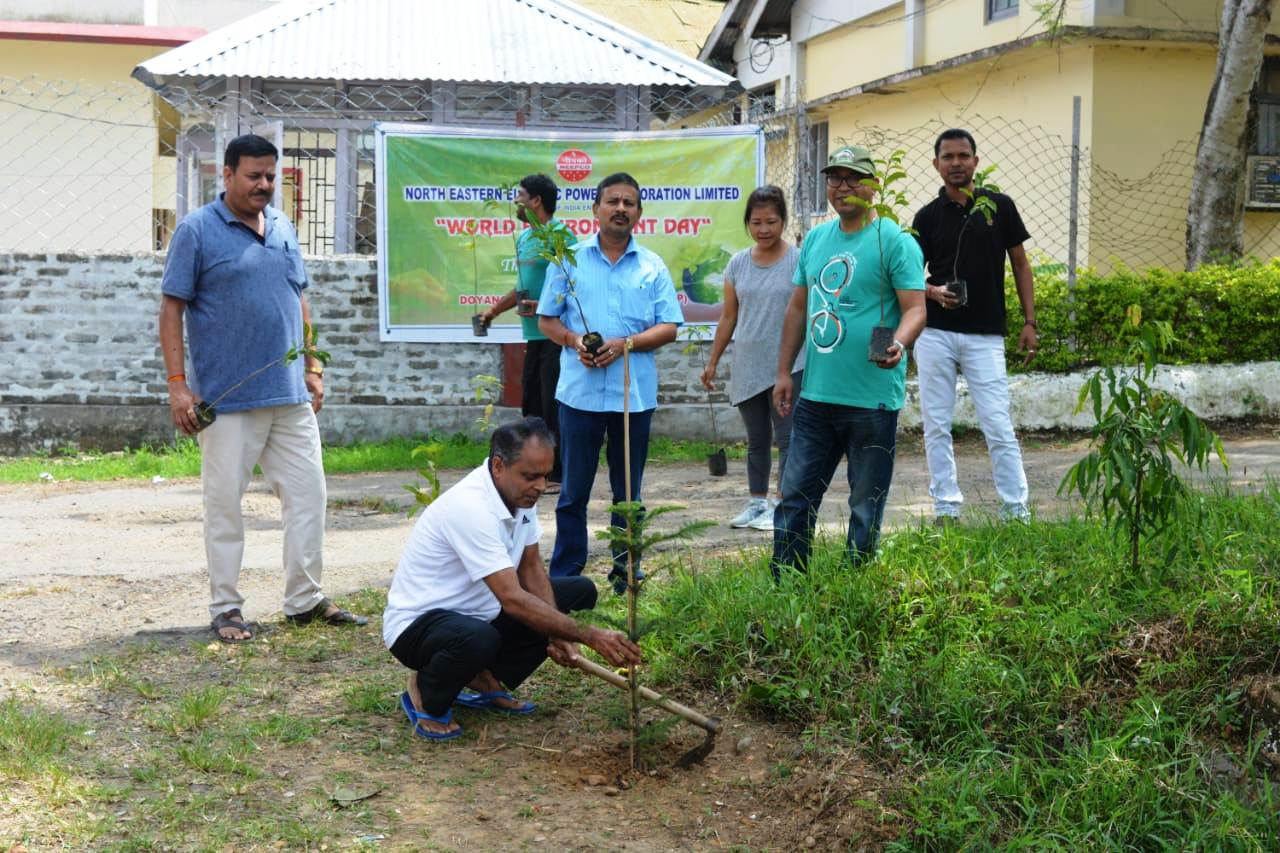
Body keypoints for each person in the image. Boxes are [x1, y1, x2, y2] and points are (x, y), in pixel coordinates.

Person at [159, 133, 367, 643]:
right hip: (227, 400)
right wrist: (178, 387)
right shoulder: (197, 231)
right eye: (253, 175)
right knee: (225, 504)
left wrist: (313, 366)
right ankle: (226, 607)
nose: (264, 185)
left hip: (291, 396)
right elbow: (171, 309)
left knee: (308, 495)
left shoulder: (282, 226)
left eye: (271, 176)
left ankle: (304, 600)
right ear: (226, 175)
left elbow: (299, 300)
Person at [383, 418, 642, 740]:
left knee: (578, 592)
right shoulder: (471, 507)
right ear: (498, 466)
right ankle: (424, 689)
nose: (540, 486)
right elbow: (512, 598)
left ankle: (484, 677)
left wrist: (558, 632)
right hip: (419, 626)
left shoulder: (520, 496)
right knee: (478, 638)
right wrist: (590, 635)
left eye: (546, 476)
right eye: (530, 476)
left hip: (480, 613)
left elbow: (531, 567)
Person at [770, 146, 927, 578]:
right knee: (795, 494)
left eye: (854, 177)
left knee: (865, 501)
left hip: (872, 400)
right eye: (835, 178)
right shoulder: (818, 239)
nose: (844, 187)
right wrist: (784, 372)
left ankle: (855, 583)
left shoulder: (895, 240)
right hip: (817, 397)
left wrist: (898, 342)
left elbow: (915, 308)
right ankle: (787, 581)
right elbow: (798, 310)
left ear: (874, 186)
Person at [536, 172, 683, 592]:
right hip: (579, 395)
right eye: (612, 201)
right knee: (573, 492)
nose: (621, 208)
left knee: (628, 493)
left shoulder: (652, 266)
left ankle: (626, 571)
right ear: (596, 209)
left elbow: (670, 326)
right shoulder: (568, 260)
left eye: (629, 203)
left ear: (639, 212)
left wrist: (626, 344)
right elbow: (547, 319)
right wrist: (573, 339)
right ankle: (565, 575)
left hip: (631, 398)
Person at [911, 128, 1036, 524]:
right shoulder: (926, 218)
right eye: (947, 157)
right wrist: (932, 294)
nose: (956, 163)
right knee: (936, 423)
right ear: (936, 165)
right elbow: (911, 277)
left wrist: (1030, 321)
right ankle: (945, 508)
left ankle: (1016, 511)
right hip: (936, 334)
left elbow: (1020, 263)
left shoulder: (998, 207)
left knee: (997, 423)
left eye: (963, 156)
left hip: (985, 334)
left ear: (976, 161)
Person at [700, 185, 803, 532]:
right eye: (756, 222)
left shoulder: (798, 259)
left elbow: (806, 311)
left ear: (783, 221)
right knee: (756, 440)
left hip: (788, 365)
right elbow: (728, 317)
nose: (763, 229)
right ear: (747, 223)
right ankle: (757, 501)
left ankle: (781, 504)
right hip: (747, 361)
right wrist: (713, 361)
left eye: (771, 221)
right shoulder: (737, 263)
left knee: (787, 437)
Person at [479, 174, 570, 488]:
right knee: (531, 407)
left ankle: (558, 473)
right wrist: (493, 310)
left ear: (536, 201)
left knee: (552, 407)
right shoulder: (524, 238)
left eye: (520, 196)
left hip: (556, 336)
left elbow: (572, 283)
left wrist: (544, 306)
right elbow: (520, 289)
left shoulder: (561, 236)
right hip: (532, 336)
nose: (515, 202)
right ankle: (536, 469)